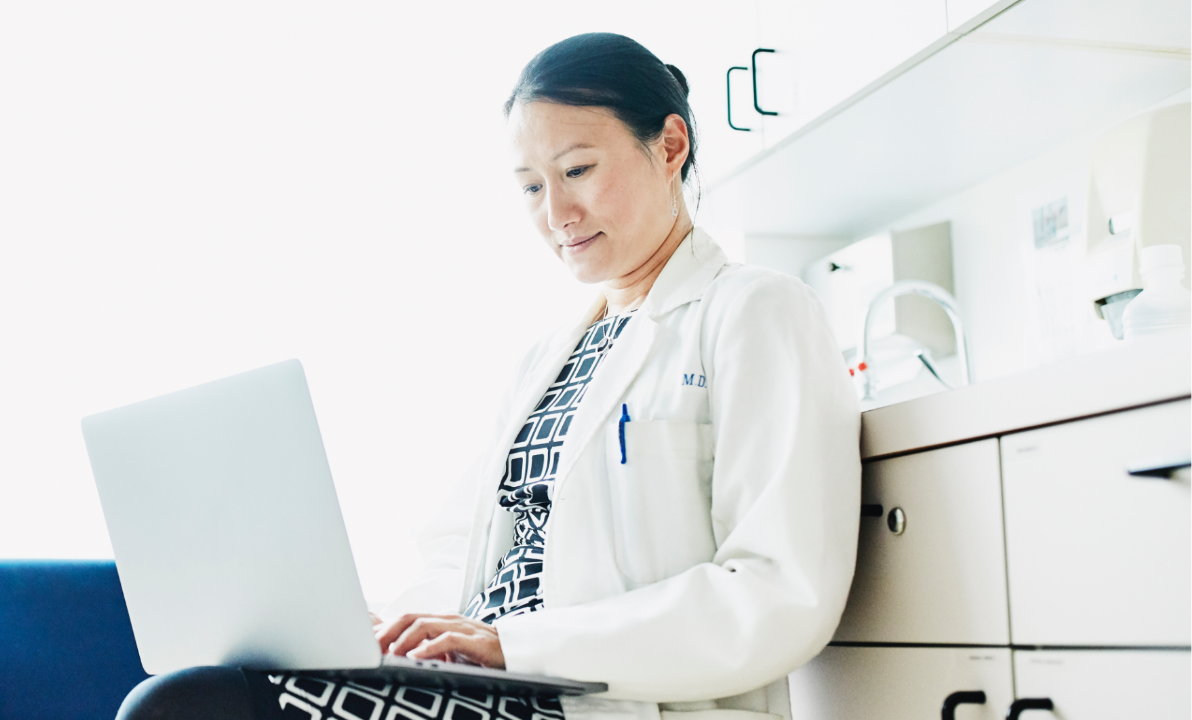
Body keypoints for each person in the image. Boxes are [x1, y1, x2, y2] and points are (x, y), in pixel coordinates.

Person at [117, 32, 860, 720]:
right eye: (531, 187)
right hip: (498, 685)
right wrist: (395, 631)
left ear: (669, 145)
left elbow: (777, 590)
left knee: (192, 707)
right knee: (195, 685)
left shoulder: (754, 313)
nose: (557, 212)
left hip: (593, 698)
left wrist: (515, 645)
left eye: (577, 170)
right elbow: (461, 551)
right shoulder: (548, 361)